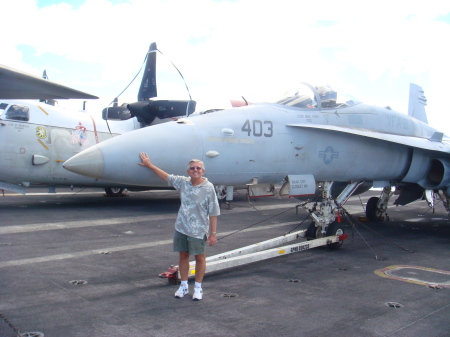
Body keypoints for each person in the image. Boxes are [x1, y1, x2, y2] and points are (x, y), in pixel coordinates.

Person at [138, 153, 220, 301]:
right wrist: (150, 165)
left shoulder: (208, 188)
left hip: (198, 230)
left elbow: (214, 211)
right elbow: (166, 177)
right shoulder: (183, 182)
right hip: (181, 227)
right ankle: (183, 285)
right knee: (183, 256)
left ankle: (198, 287)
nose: (195, 170)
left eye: (199, 168)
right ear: (188, 171)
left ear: (203, 171)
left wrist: (213, 233)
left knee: (199, 257)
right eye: (192, 168)